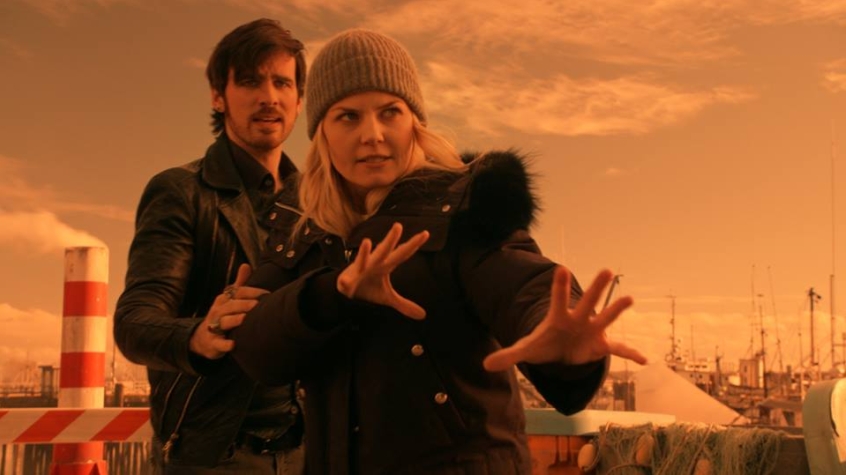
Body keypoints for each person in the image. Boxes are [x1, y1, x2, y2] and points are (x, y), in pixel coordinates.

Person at [230, 29, 646, 474]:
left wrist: (556, 334)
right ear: (322, 133)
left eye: (390, 112)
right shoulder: (301, 229)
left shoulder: (463, 207)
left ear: (414, 121)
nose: (372, 134)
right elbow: (256, 350)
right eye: (348, 117)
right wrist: (332, 294)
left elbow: (520, 281)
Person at [114, 18, 306, 474]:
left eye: (282, 83)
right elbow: (134, 321)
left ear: (299, 100)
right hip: (215, 456)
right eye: (250, 81)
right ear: (218, 96)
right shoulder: (181, 191)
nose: (269, 97)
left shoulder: (315, 202)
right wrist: (200, 335)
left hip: (308, 449)